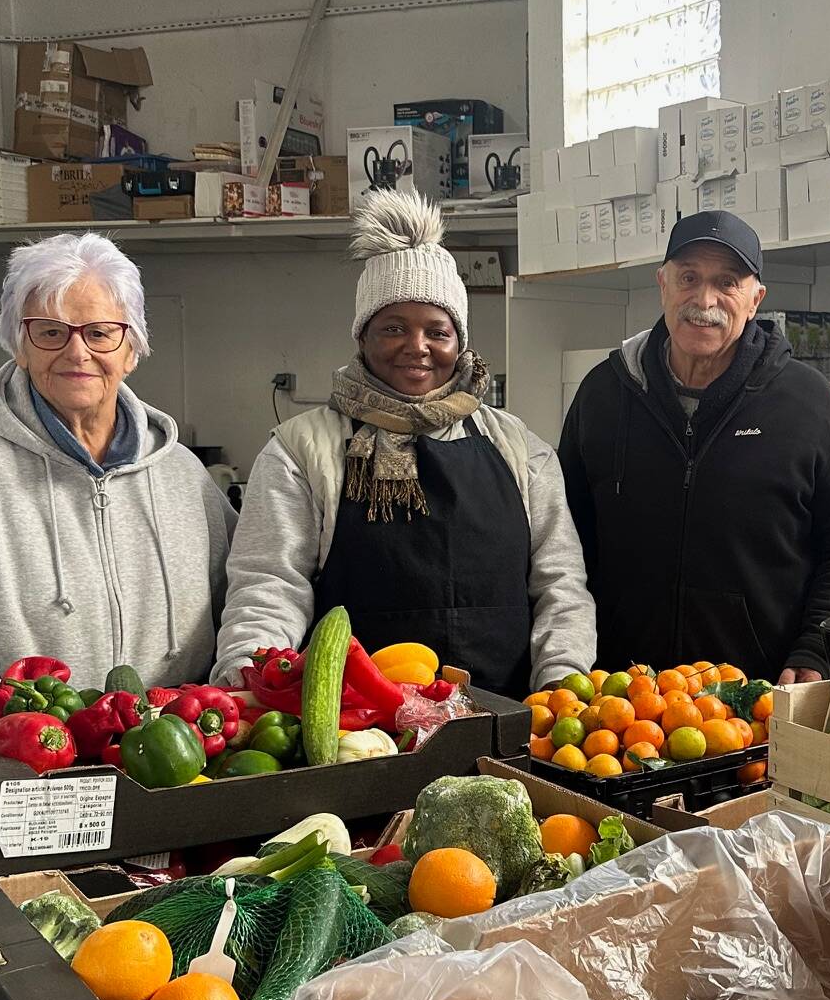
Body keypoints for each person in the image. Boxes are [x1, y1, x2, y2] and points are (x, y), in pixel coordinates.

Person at [214, 189, 594, 697]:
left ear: (459, 343)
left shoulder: (519, 447)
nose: (417, 347)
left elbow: (560, 589)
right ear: (362, 336)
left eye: (437, 331)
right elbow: (268, 587)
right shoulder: (300, 451)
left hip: (509, 719)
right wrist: (248, 687)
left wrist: (560, 694)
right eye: (393, 327)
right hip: (359, 733)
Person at [0, 233, 234, 703]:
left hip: (171, 762)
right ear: (18, 347)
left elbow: (239, 606)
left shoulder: (183, 475)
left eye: (100, 333)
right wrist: (50, 746)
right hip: (21, 759)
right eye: (50, 332)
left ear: (131, 350)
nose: (77, 352)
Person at [558, 210, 830, 682]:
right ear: (663, 284)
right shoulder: (605, 393)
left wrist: (817, 648)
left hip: (756, 693)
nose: (704, 300)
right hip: (622, 696)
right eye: (688, 277)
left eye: (726, 282)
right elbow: (564, 538)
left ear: (755, 299)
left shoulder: (808, 403)